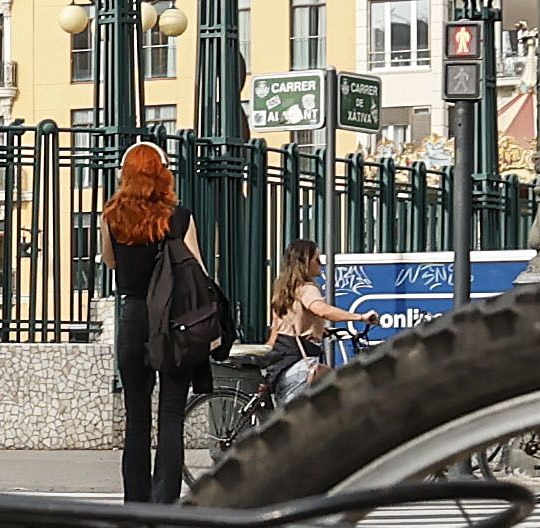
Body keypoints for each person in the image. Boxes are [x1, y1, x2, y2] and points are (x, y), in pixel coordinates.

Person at [104, 143, 230, 505]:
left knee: (136, 417)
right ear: (162, 174)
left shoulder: (111, 217)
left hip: (134, 320)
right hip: (173, 323)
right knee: (171, 414)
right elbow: (198, 273)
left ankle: (136, 506)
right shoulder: (179, 217)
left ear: (126, 174)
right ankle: (164, 506)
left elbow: (112, 264)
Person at [257, 239, 386, 414]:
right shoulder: (307, 288)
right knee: (339, 390)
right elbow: (321, 310)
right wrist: (359, 317)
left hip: (282, 363)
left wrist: (322, 331)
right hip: (301, 365)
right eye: (316, 259)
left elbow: (281, 326)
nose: (321, 263)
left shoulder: (283, 290)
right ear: (305, 262)